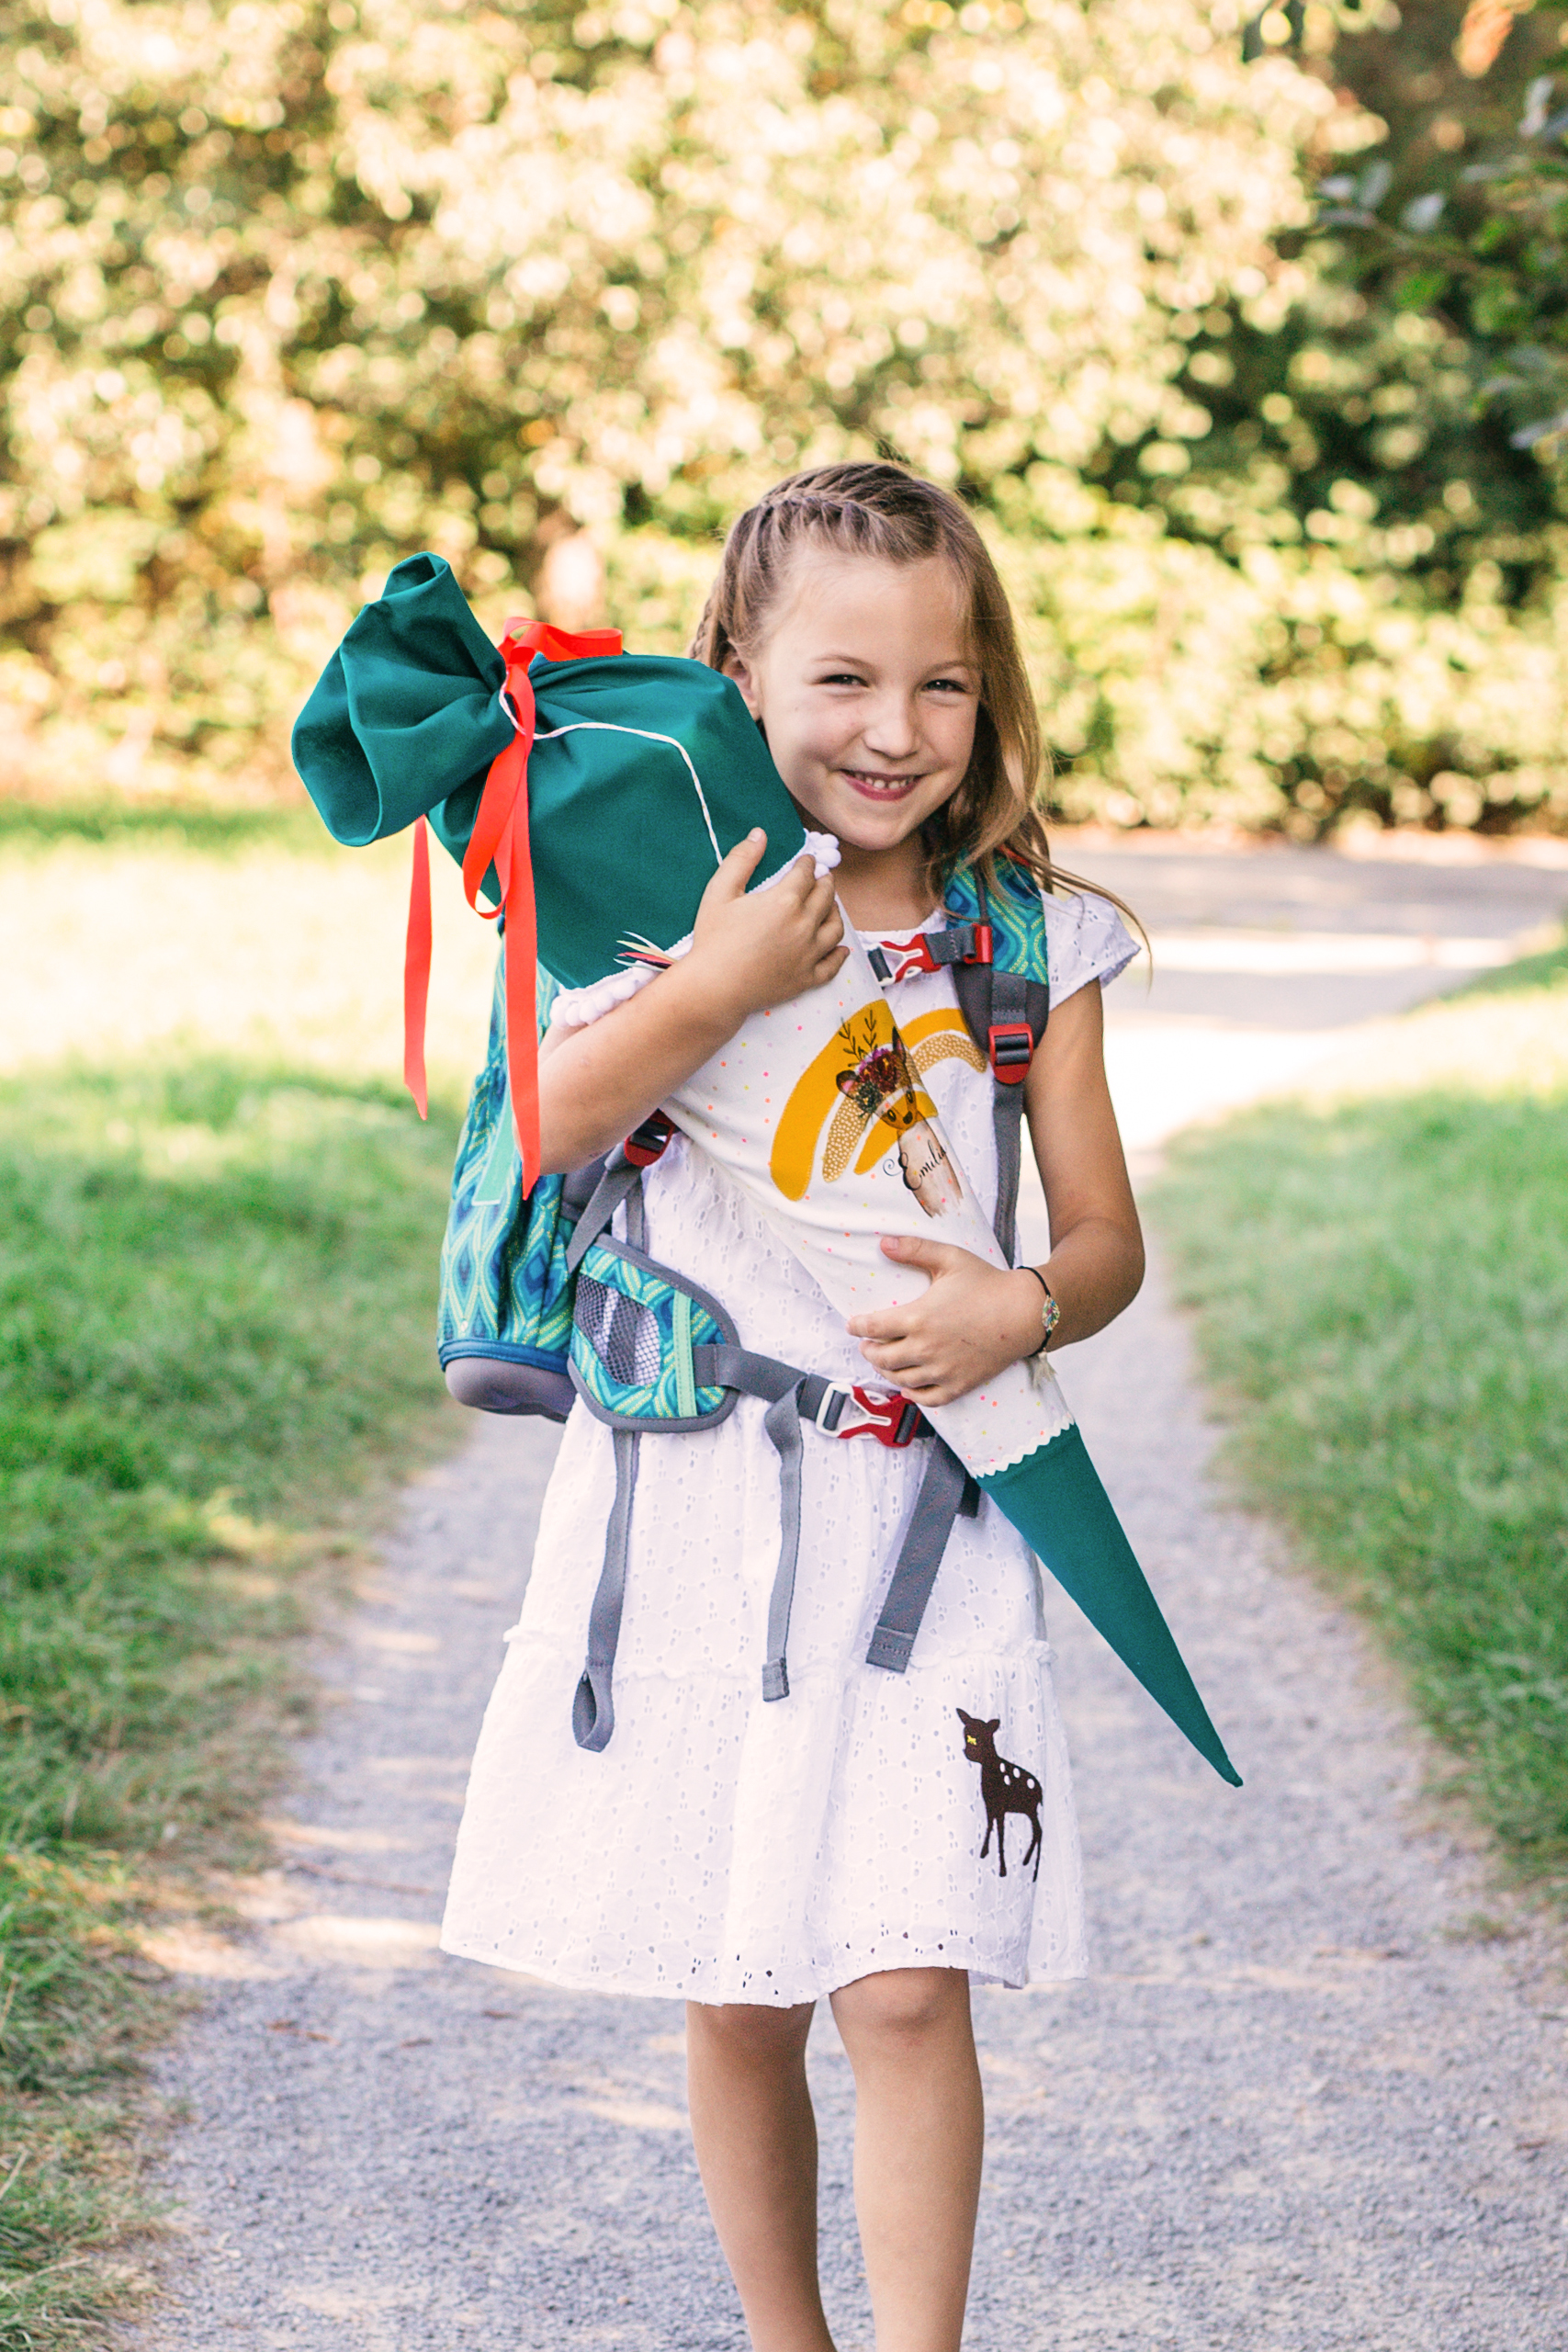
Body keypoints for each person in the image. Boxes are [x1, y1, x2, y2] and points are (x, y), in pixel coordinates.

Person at [440, 462, 1145, 2352]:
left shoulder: (1029, 938)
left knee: (909, 1986)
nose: (891, 730)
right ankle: (786, 2336)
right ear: (736, 664)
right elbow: (546, 1121)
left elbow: (1100, 1239)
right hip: (694, 1524)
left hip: (930, 1526)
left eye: (938, 684)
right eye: (839, 679)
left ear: (985, 696)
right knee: (736, 1967)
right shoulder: (675, 898)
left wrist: (1025, 1302)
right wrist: (719, 981)